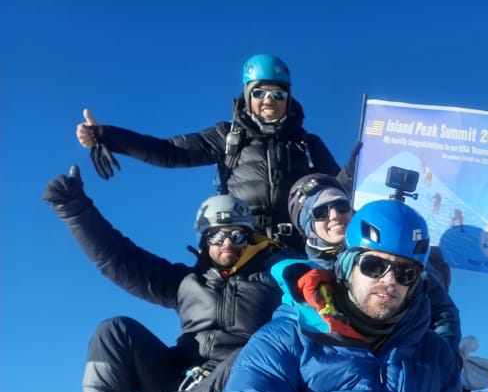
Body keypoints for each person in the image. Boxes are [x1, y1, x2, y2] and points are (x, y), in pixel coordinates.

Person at [15, 168, 290, 392]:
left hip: (239, 378)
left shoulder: (275, 276)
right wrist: (75, 208)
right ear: (203, 240)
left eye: (236, 235)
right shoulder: (186, 281)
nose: (226, 244)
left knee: (244, 358)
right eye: (216, 236)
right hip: (182, 372)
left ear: (249, 236)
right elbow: (120, 259)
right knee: (114, 330)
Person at [212, 199, 465, 392]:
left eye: (405, 273)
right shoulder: (286, 339)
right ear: (347, 264)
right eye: (374, 266)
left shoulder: (433, 357)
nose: (390, 280)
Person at [74, 54, 340, 250]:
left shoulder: (308, 144)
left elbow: (342, 188)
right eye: (260, 92)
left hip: (297, 248)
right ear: (248, 97)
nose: (269, 100)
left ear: (288, 99)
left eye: (278, 94)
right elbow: (169, 152)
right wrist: (108, 135)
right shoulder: (227, 136)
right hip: (239, 246)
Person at [286, 173, 461, 356]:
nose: (335, 215)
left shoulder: (403, 262)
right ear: (307, 225)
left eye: (342, 206)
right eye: (321, 212)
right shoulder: (303, 277)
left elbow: (441, 313)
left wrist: (445, 359)